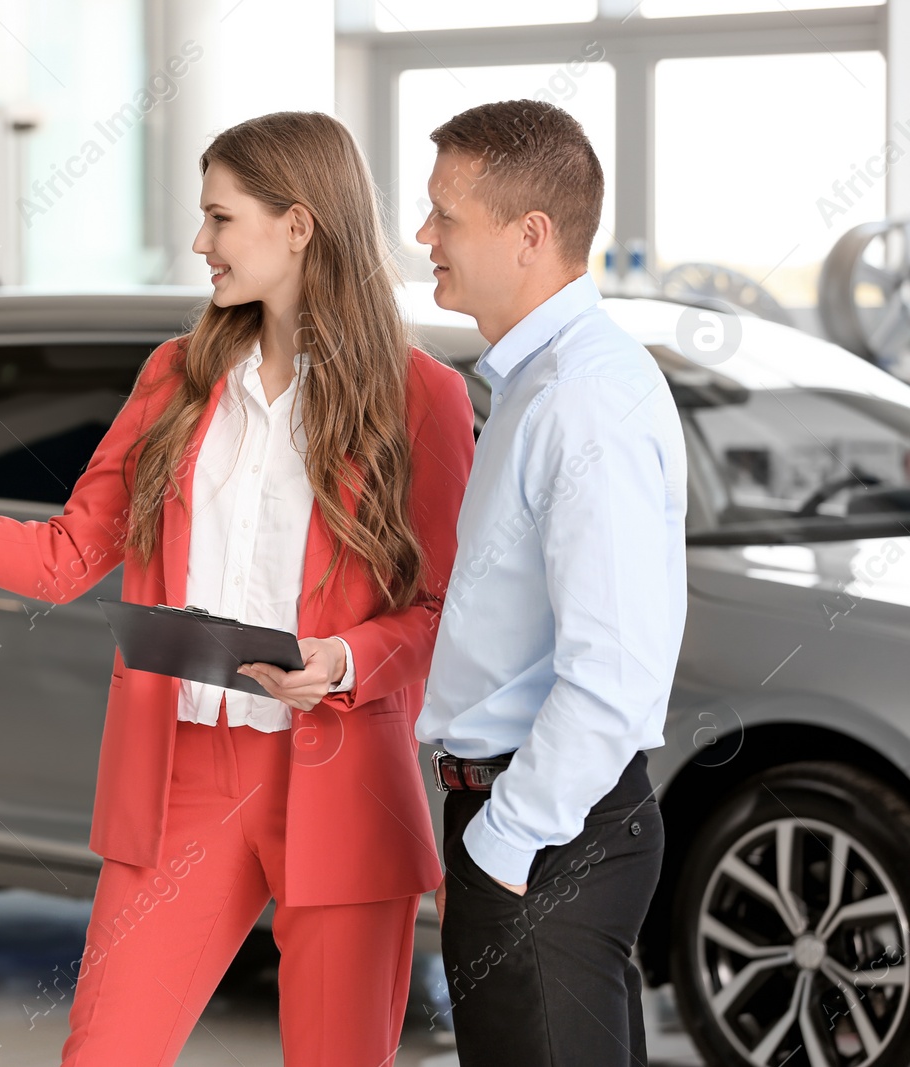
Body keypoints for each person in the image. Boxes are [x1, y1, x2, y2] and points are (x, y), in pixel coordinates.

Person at [0, 110, 474, 1066]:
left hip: (340, 779)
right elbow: (61, 555)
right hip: (184, 777)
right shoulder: (176, 377)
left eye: (220, 218)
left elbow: (440, 612)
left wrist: (345, 658)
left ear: (299, 224)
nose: (199, 243)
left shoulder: (423, 398)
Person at [413, 99, 688, 1066]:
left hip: (542, 833)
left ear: (529, 234)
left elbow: (610, 673)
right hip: (530, 824)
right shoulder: (540, 380)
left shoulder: (580, 397)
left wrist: (503, 844)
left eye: (446, 213)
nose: (424, 235)